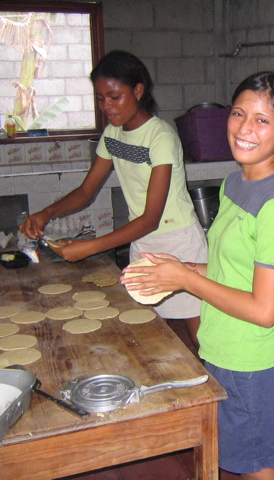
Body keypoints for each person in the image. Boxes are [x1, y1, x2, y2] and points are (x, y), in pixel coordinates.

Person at [121, 71, 274, 480]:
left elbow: (264, 309)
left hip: (252, 366)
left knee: (259, 466)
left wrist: (187, 281)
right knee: (272, 459)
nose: (245, 129)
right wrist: (182, 269)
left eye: (262, 120)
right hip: (226, 351)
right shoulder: (235, 184)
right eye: (239, 114)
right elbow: (234, 273)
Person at [19, 50, 207, 346]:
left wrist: (91, 247)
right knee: (149, 331)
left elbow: (151, 218)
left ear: (138, 91)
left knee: (201, 336)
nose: (106, 106)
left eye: (114, 97)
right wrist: (46, 213)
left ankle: (222, 389)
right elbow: (85, 192)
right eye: (100, 98)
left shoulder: (161, 137)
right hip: (144, 244)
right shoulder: (112, 136)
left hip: (179, 243)